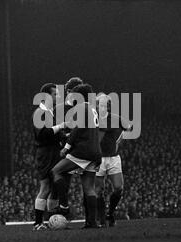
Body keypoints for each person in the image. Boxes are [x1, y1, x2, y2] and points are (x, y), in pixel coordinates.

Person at [52, 83, 102, 229]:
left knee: (56, 171)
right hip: (96, 152)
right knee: (89, 188)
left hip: (82, 151)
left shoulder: (80, 107)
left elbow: (78, 129)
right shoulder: (93, 109)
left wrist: (66, 147)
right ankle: (91, 222)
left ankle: (64, 205)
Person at [32, 83, 67, 230]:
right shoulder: (39, 112)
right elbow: (43, 134)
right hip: (46, 154)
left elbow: (58, 135)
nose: (57, 97)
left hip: (54, 152)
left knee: (55, 188)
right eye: (55, 94)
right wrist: (61, 126)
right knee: (45, 187)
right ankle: (38, 222)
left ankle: (52, 221)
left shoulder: (50, 112)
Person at [95, 93, 132, 227]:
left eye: (105, 104)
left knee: (118, 188)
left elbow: (129, 128)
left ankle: (110, 213)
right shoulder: (93, 119)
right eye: (100, 104)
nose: (103, 106)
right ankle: (102, 218)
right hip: (98, 159)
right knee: (98, 190)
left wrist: (119, 139)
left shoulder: (116, 118)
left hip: (113, 158)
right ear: (97, 105)